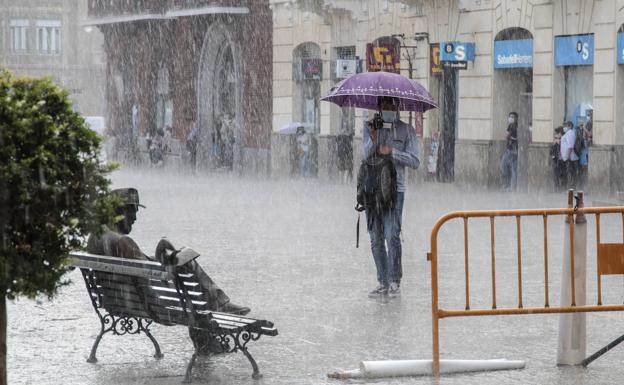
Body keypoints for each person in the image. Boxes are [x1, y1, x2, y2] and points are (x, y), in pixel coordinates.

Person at [87, 188, 250, 352]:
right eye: (132, 212)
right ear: (119, 211)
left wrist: (162, 256)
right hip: (154, 306)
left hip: (117, 301)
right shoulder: (123, 242)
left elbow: (143, 268)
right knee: (186, 266)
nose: (135, 218)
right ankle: (218, 306)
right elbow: (154, 274)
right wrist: (168, 254)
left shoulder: (95, 238)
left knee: (186, 279)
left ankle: (211, 326)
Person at [362, 96, 419, 297]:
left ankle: (395, 281)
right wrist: (374, 136)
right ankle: (383, 281)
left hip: (396, 191)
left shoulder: (407, 130)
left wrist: (393, 152)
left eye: (391, 105)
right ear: (378, 106)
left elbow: (415, 160)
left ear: (397, 107)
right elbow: (365, 154)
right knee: (376, 239)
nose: (388, 109)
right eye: (384, 105)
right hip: (372, 190)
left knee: (391, 235)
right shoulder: (369, 127)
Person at [499, 112, 518, 191]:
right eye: (509, 116)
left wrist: (510, 137)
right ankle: (512, 186)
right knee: (514, 169)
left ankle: (507, 184)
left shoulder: (513, 126)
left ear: (516, 118)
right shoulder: (511, 126)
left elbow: (509, 136)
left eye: (512, 117)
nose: (510, 118)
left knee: (503, 165)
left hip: (511, 150)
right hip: (512, 150)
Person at [560, 121, 578, 189]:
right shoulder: (568, 133)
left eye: (565, 126)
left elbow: (570, 146)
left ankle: (571, 187)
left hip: (570, 158)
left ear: (570, 126)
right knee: (568, 173)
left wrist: (568, 156)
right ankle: (569, 187)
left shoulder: (570, 133)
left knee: (570, 173)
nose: (564, 127)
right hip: (567, 157)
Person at [550, 126, 565, 191]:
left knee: (560, 173)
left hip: (561, 159)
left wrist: (558, 142)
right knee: (556, 173)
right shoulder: (555, 143)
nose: (555, 138)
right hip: (557, 159)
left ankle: (560, 187)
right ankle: (557, 187)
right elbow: (551, 151)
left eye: (557, 135)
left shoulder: (563, 139)